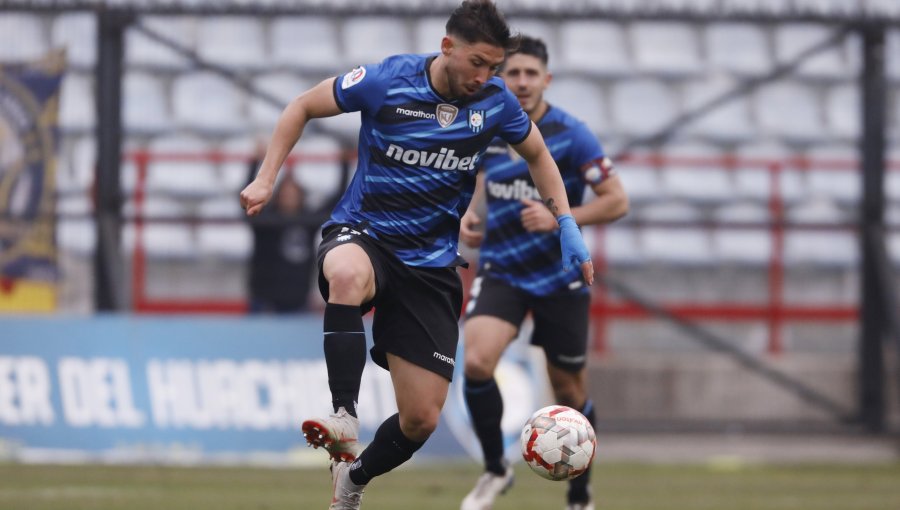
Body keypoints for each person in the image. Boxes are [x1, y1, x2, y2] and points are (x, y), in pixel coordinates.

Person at [240, 2, 594, 508]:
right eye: (478, 63)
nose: (486, 76)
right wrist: (267, 176)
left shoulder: (494, 102)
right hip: (366, 233)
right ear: (447, 46)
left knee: (421, 419)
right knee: (344, 272)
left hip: (430, 264)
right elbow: (302, 106)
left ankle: (353, 479)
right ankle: (343, 415)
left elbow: (538, 154)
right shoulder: (386, 80)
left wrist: (566, 223)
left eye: (493, 67)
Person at [458, 36, 628, 510]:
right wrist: (472, 217)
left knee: (571, 390)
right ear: (499, 78)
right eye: (513, 73)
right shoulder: (487, 128)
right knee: (475, 362)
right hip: (503, 270)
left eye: (531, 73)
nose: (523, 81)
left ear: (546, 79)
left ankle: (579, 492)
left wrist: (562, 216)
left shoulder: (573, 133)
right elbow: (476, 184)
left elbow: (618, 200)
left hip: (561, 277)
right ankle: (495, 470)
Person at [244, 146, 318, 313]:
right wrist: (255, 163)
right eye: (286, 193)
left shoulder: (308, 221)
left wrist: (344, 164)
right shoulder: (266, 220)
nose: (289, 197)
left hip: (299, 301)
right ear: (278, 196)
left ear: (301, 196)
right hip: (264, 302)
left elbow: (336, 201)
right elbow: (247, 200)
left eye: (293, 193)